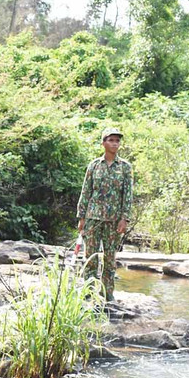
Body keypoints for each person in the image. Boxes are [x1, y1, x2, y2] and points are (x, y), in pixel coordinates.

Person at [76, 127, 133, 303]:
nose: (115, 144)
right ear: (103, 143)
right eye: (111, 140)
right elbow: (86, 191)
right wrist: (81, 217)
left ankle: (108, 295)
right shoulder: (94, 165)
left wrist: (124, 218)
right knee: (91, 258)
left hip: (114, 220)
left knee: (109, 259)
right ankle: (89, 294)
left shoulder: (125, 167)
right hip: (93, 218)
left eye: (117, 140)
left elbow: (128, 194)